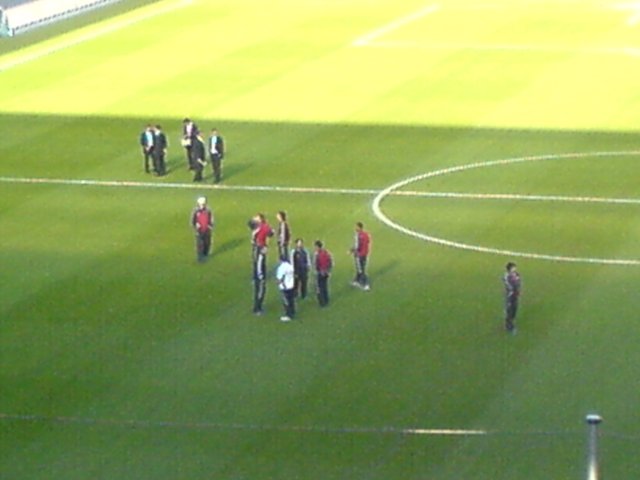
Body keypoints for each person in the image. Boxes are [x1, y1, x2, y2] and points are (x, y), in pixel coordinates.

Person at [250, 213, 274, 315]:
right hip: (259, 255)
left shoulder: (258, 228)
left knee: (259, 287)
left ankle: (258, 307)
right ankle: (257, 308)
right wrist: (261, 276)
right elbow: (271, 232)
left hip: (258, 250)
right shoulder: (261, 227)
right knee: (260, 288)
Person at [191, 196, 214, 263]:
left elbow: (211, 219)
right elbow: (193, 220)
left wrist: (210, 225)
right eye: (200, 204)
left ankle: (205, 254)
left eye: (203, 204)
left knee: (207, 243)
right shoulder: (195, 211)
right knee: (200, 244)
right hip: (199, 230)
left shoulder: (208, 210)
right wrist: (195, 225)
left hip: (207, 230)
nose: (202, 206)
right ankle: (200, 257)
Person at [350, 221, 371, 291]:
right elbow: (368, 242)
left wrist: (351, 250)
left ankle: (366, 284)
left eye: (356, 227)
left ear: (359, 227)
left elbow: (357, 246)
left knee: (361, 270)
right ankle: (356, 281)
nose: (355, 228)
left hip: (359, 255)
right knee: (361, 268)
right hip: (365, 254)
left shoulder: (358, 235)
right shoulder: (366, 234)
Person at [503, 262, 522, 334]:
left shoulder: (517, 274)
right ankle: (509, 326)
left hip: (515, 295)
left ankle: (511, 321)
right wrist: (513, 290)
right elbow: (508, 285)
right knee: (509, 310)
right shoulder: (506, 276)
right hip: (510, 295)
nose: (515, 269)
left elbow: (519, 283)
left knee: (515, 309)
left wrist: (518, 291)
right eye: (513, 267)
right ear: (509, 269)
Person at [276, 256, 296, 322]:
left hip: (285, 287)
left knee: (286, 301)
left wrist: (278, 284)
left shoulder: (281, 268)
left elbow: (279, 278)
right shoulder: (290, 266)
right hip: (291, 286)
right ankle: (293, 312)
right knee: (291, 300)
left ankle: (288, 315)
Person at [314, 240, 333, 307]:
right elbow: (330, 262)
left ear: (318, 246)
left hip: (320, 273)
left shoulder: (318, 254)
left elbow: (317, 265)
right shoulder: (326, 252)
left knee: (320, 288)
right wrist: (328, 270)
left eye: (315, 246)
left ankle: (322, 302)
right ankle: (326, 300)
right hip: (326, 272)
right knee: (325, 286)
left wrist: (318, 271)